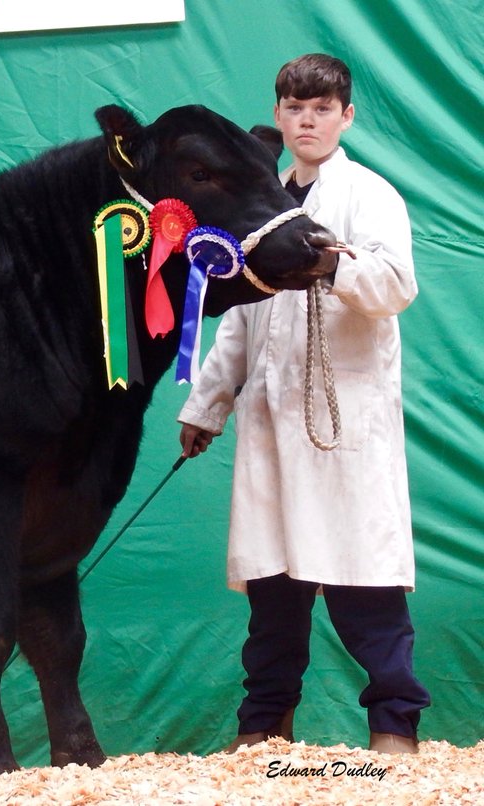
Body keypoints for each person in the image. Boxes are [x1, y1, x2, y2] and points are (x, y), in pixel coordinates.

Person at [177, 53, 429, 754]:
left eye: (321, 108)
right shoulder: (262, 202)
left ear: (345, 117)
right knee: (273, 591)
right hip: (270, 419)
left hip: (343, 422)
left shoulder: (370, 195)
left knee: (364, 583)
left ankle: (394, 728)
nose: (306, 120)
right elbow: (238, 316)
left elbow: (396, 287)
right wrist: (207, 405)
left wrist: (332, 263)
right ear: (279, 115)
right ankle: (264, 728)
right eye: (294, 107)